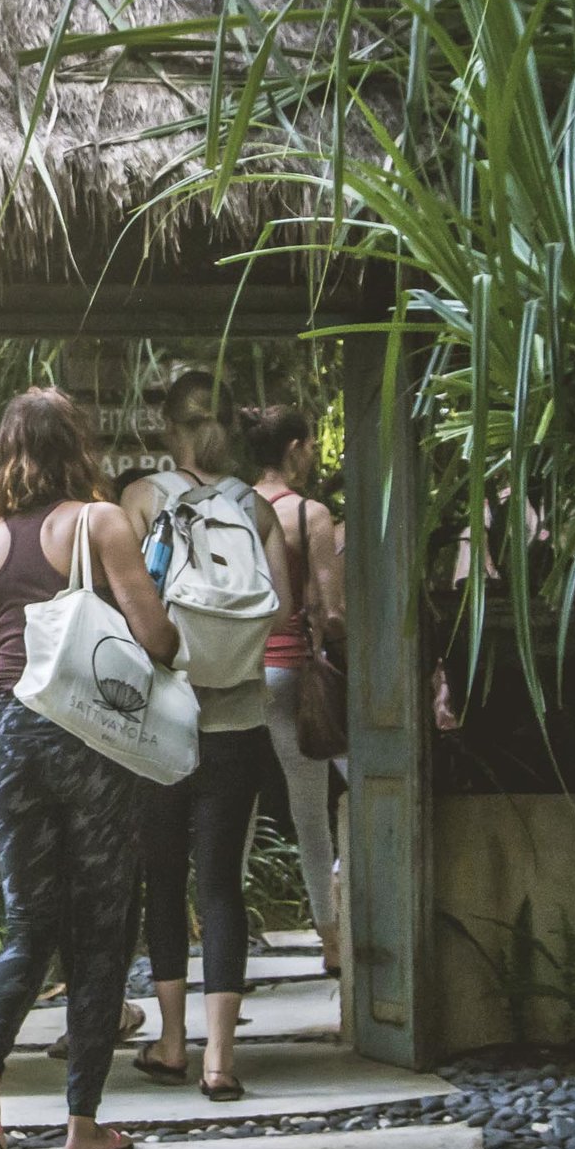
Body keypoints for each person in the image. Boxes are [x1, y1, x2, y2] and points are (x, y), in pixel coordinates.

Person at [0, 387, 179, 1149]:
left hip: (10, 738)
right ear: (76, 444)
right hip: (86, 734)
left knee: (29, 925)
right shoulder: (99, 520)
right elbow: (154, 638)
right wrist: (169, 619)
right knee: (100, 926)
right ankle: (83, 1122)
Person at [120, 370, 291, 1101]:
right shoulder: (256, 507)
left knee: (164, 879)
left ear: (168, 429)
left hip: (163, 720)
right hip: (239, 720)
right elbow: (279, 616)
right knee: (222, 884)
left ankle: (170, 1041)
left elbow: (120, 611)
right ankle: (222, 1059)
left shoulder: (139, 499)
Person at [245, 405, 347, 973]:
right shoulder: (310, 514)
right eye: (309, 446)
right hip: (291, 674)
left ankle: (225, 947)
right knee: (311, 816)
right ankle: (332, 942)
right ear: (293, 449)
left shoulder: (235, 507)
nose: (312, 456)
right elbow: (331, 612)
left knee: (237, 814)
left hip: (237, 679)